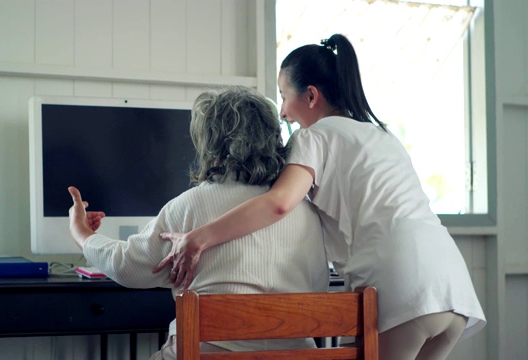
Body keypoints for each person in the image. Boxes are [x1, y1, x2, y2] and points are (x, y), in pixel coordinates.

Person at [154, 34, 486, 360]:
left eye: (284, 96)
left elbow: (279, 202)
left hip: (404, 287)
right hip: (451, 285)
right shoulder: (382, 134)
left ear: (311, 96)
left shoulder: (313, 136)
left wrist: (198, 239)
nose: (282, 112)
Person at [67, 86, 330, 359]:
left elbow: (127, 266)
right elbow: (318, 287)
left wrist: (81, 233)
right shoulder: (307, 211)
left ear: (211, 141)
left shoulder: (189, 206)